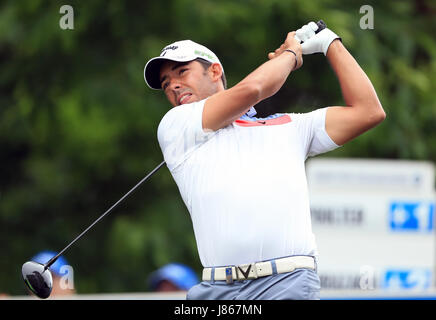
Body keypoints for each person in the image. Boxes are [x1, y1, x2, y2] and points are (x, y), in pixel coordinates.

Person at [143, 21, 385, 300]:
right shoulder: (176, 125)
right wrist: (291, 55)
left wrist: (330, 43)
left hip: (288, 283)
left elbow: (368, 112)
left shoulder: (290, 127)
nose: (173, 85)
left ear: (215, 71)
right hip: (217, 290)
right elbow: (254, 88)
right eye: (165, 83)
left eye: (182, 72)